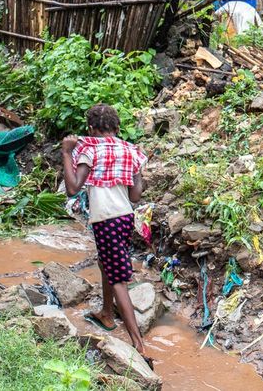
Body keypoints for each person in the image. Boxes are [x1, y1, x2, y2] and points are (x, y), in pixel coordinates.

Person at [61, 103, 149, 360]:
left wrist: (67, 153)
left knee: (119, 279)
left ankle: (138, 344)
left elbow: (73, 188)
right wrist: (138, 173)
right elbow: (135, 195)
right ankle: (107, 314)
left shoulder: (89, 149)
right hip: (124, 218)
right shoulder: (129, 150)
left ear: (90, 128)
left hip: (106, 220)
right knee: (106, 263)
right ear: (117, 127)